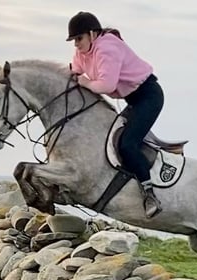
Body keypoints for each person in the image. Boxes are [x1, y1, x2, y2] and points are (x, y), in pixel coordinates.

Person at [66, 11, 163, 218]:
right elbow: (74, 71)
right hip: (133, 100)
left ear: (92, 34)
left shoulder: (107, 48)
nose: (76, 44)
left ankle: (150, 194)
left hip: (148, 96)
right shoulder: (84, 52)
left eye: (79, 38)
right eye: (74, 40)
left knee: (127, 144)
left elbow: (106, 85)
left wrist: (85, 82)